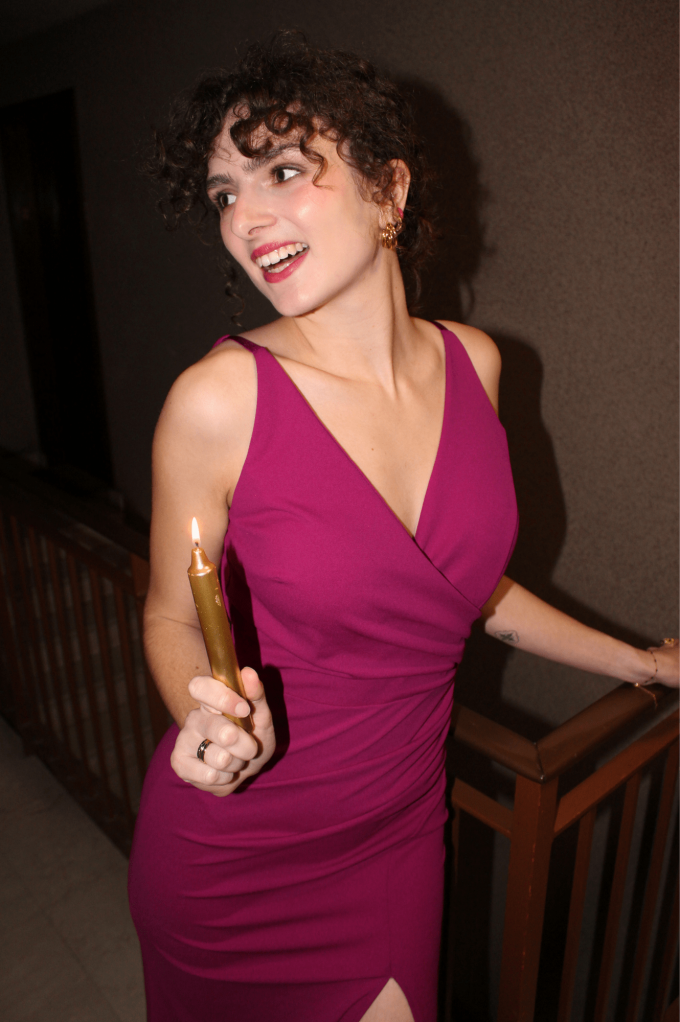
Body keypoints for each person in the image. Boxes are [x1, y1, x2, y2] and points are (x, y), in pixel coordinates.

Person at [127, 31, 678, 1022]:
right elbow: (172, 613)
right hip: (236, 853)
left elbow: (467, 593)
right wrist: (198, 711)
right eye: (222, 194)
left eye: (282, 171)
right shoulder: (218, 401)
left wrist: (642, 660)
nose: (246, 217)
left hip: (395, 837)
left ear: (388, 188)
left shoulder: (477, 364)